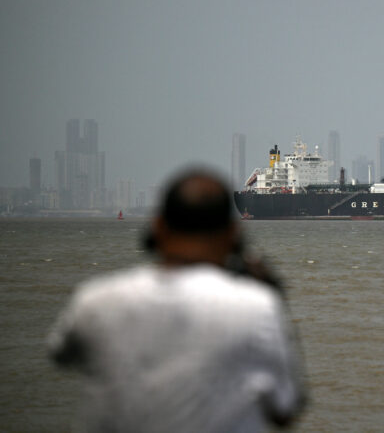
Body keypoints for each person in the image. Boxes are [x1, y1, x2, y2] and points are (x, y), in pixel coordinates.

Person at [48, 169, 308, 432]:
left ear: (156, 228)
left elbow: (60, 356)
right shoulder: (256, 307)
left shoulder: (95, 300)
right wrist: (275, 296)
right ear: (233, 236)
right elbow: (285, 409)